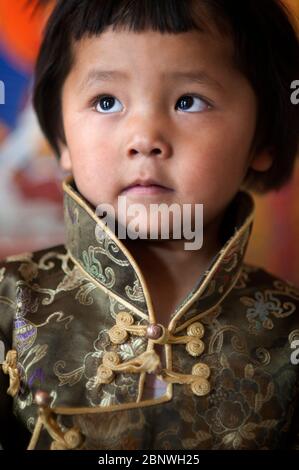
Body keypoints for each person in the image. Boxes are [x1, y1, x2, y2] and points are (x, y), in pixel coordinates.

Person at [0, 0, 299, 450]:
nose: (144, 138)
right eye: (106, 101)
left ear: (262, 138)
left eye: (188, 101)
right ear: (61, 139)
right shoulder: (10, 303)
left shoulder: (290, 331)